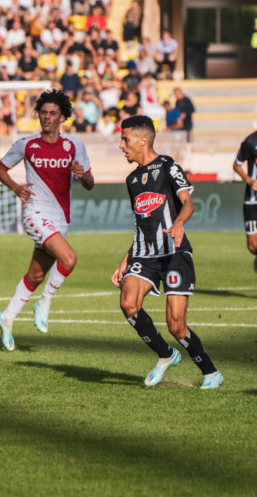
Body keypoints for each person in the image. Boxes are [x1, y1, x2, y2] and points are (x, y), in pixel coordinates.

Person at [112, 115, 223, 389]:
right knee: (128, 304)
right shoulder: (132, 179)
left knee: (176, 325)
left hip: (174, 253)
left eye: (125, 139)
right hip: (143, 254)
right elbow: (142, 222)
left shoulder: (168, 165)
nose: (121, 145)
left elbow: (188, 203)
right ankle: (165, 354)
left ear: (142, 139)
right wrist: (125, 260)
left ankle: (210, 372)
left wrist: (178, 223)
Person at [0, 90, 94, 351]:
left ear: (62, 117)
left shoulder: (74, 146)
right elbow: (0, 170)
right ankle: (45, 302)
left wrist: (82, 176)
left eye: (52, 114)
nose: (46, 117)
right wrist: (17, 188)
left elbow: (90, 184)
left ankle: (6, 317)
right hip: (35, 213)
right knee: (69, 259)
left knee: (36, 275)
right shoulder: (26, 144)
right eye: (43, 113)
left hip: (60, 219)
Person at [232, 130, 257, 271]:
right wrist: (249, 180)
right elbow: (236, 165)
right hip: (252, 199)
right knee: (252, 246)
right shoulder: (250, 142)